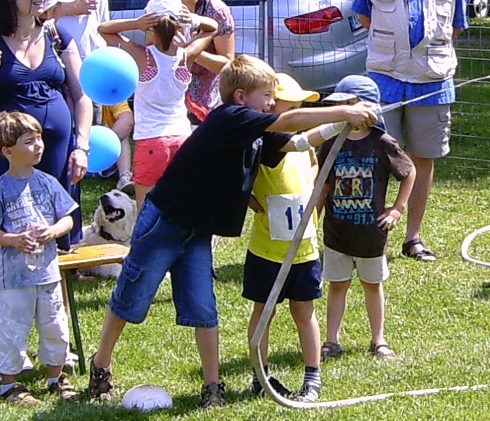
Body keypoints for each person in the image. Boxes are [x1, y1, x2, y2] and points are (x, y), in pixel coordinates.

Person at [87, 54, 378, 409]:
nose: (271, 102)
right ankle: (100, 365)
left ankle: (212, 387)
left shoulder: (255, 130)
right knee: (131, 297)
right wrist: (342, 112)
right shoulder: (230, 117)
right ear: (241, 97)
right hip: (166, 222)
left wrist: (343, 123)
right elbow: (289, 119)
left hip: (198, 231)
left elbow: (298, 141)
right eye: (266, 95)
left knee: (203, 307)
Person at [0, 0, 92, 296]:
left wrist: (81, 145)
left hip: (59, 153)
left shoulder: (57, 35)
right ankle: (5, 287)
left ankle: (57, 292)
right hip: (14, 159)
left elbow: (81, 97)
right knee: (14, 224)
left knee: (57, 225)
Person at [353, 0, 468, 262]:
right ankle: (375, 236)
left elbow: (457, 26)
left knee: (423, 159)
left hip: (432, 80)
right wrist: (397, 46)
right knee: (379, 156)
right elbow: (364, 15)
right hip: (385, 78)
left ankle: (413, 238)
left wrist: (422, 53)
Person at [0, 111, 80, 405]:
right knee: (13, 327)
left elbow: (68, 220)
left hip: (47, 274)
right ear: (8, 151)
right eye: (29, 141)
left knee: (55, 325)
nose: (38, 146)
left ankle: (56, 376)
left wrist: (52, 231)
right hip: (15, 277)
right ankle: (8, 383)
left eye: (39, 139)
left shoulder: (47, 182)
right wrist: (13, 240)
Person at [244, 73, 334, 403]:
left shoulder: (300, 142)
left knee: (304, 310)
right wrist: (258, 205)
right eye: (291, 105)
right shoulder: (262, 143)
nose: (297, 110)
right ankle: (260, 373)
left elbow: (311, 161)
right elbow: (241, 184)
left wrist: (310, 189)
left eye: (299, 106)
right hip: (267, 248)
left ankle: (313, 375)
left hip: (304, 248)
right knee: (263, 310)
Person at [317, 75, 416, 361]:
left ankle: (379, 340)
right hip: (337, 232)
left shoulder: (382, 142)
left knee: (372, 285)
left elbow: (409, 172)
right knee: (338, 284)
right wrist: (314, 217)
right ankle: (332, 341)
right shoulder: (332, 143)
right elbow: (323, 184)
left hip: (371, 234)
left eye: (348, 105)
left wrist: (397, 209)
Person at [98, 0, 218, 208]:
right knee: (181, 206)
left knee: (147, 210)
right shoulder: (187, 55)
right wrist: (195, 19)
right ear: (180, 25)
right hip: (182, 138)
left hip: (151, 140)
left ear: (149, 24)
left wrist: (136, 23)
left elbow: (104, 30)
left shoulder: (142, 55)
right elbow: (213, 28)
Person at [163, 0, 235, 124]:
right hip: (169, 99)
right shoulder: (162, 6)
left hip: (205, 106)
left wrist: (190, 50)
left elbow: (227, 65)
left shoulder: (217, 12)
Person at [100, 101, 135, 194]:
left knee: (122, 135)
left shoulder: (110, 95)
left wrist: (107, 142)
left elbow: (127, 121)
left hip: (107, 153)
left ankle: (124, 177)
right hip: (82, 156)